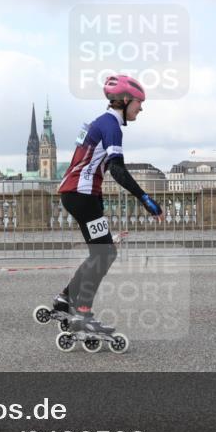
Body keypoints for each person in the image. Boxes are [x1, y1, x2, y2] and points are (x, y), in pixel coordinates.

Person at [53, 74, 165, 336]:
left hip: (81, 196)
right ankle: (82, 313)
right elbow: (117, 169)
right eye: (139, 102)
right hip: (81, 196)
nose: (141, 107)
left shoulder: (101, 123)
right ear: (125, 100)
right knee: (105, 254)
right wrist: (145, 199)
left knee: (101, 253)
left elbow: (95, 165)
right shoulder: (111, 126)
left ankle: (65, 299)